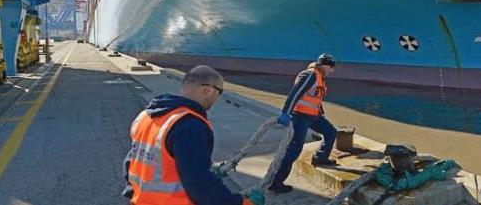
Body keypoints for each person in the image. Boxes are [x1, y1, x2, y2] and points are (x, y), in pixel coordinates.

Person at [123, 65, 262, 205]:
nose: (217, 98)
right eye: (219, 92)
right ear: (208, 90)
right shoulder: (190, 125)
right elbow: (202, 187)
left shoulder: (146, 116)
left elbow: (132, 164)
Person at [268, 54, 338, 194]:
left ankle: (320, 158)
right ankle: (276, 182)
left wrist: (320, 111)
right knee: (294, 149)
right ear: (324, 65)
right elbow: (295, 94)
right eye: (331, 67)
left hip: (313, 116)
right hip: (299, 117)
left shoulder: (321, 78)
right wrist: (286, 113)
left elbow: (315, 97)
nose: (332, 71)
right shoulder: (310, 75)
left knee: (331, 132)